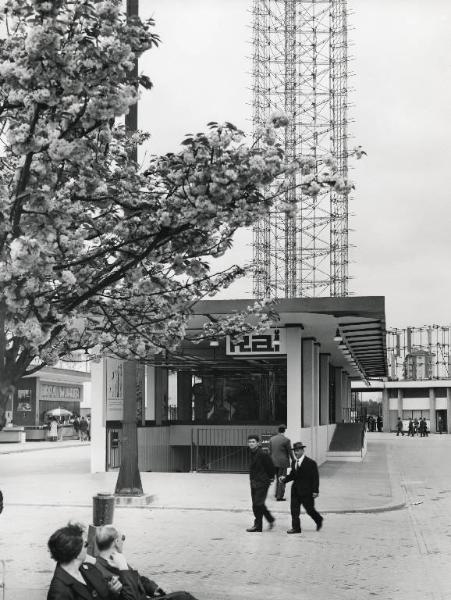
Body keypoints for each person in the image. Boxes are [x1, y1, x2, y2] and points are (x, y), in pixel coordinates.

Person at [95, 525, 198, 599]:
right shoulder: (99, 570)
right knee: (183, 597)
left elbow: (138, 579)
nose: (123, 541)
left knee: (183, 596)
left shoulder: (115, 559)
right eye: (123, 538)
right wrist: (123, 569)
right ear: (117, 542)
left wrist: (154, 588)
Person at [47, 522, 139, 600]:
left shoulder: (89, 569)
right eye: (86, 545)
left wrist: (111, 592)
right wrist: (123, 568)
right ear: (75, 552)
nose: (87, 549)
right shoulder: (59, 592)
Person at [279, 441, 323, 534]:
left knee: (310, 509)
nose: (295, 453)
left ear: (303, 450)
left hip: (307, 491)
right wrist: (284, 479)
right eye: (295, 451)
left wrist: (315, 491)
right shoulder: (294, 462)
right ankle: (296, 528)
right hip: (295, 490)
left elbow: (315, 478)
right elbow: (292, 475)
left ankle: (318, 519)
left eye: (298, 450)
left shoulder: (311, 463)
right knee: (294, 510)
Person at [246, 434, 275, 532]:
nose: (251, 444)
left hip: (262, 482)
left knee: (258, 504)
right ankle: (270, 519)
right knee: (257, 504)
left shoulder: (262, 454)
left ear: (258, 443)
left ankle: (258, 525)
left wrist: (271, 478)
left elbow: (270, 467)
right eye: (249, 442)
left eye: (253, 442)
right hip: (254, 482)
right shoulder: (252, 453)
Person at [269, 424, 295, 501]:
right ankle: (279, 496)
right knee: (282, 479)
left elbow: (269, 451)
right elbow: (290, 452)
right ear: (284, 431)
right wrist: (293, 460)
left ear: (278, 430)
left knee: (277, 478)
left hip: (273, 462)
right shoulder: (286, 440)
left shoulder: (272, 439)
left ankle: (277, 493)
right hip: (282, 463)